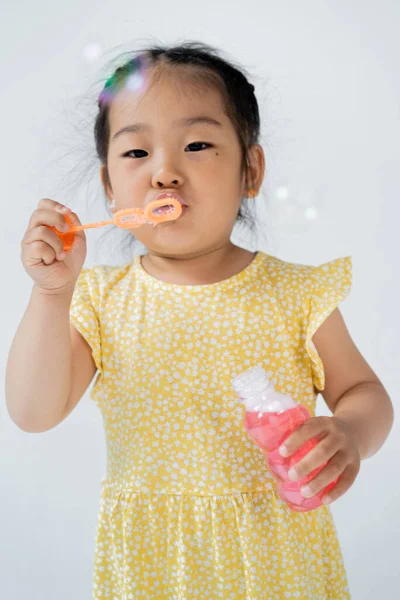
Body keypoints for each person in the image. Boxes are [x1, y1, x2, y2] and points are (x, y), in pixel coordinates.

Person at [6, 41, 394, 599]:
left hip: (278, 561)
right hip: (153, 564)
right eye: (136, 154)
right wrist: (51, 293)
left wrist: (351, 432)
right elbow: (32, 412)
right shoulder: (98, 300)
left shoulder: (294, 294)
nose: (165, 173)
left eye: (196, 144)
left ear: (250, 170)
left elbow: (364, 391)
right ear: (111, 187)